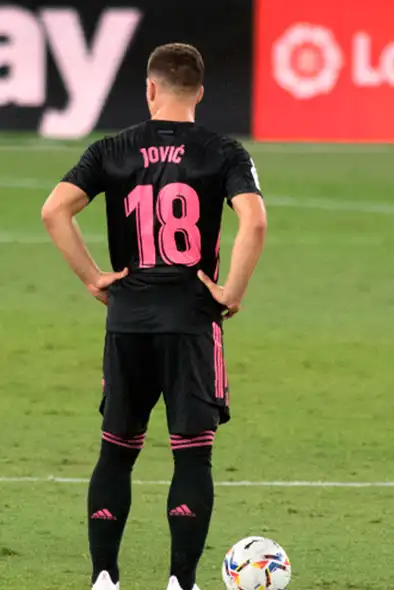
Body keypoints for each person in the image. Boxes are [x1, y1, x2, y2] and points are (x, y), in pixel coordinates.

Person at [40, 43, 268, 590]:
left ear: (149, 88)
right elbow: (254, 224)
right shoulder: (223, 151)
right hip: (191, 319)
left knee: (116, 451)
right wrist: (231, 290)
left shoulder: (112, 149)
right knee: (191, 458)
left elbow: (54, 211)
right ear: (201, 93)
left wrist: (95, 277)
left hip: (128, 320)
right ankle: (179, 583)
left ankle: (103, 578)